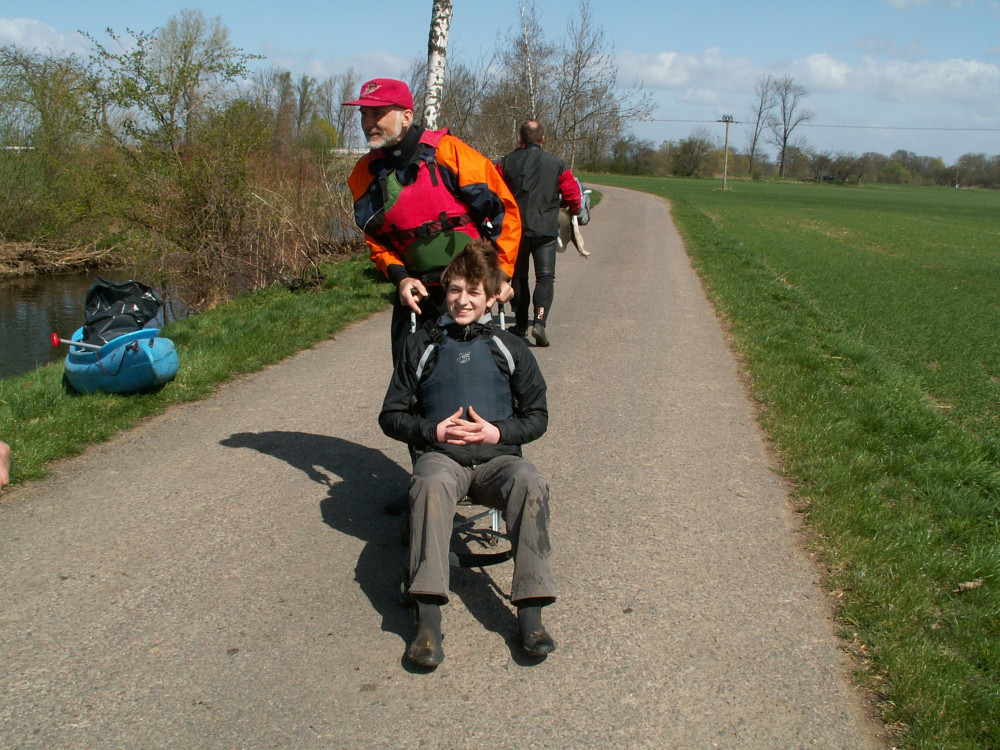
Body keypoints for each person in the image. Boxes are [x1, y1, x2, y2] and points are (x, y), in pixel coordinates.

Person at [378, 239, 556, 667]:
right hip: (442, 459)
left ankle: (530, 616)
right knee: (429, 484)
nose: (462, 300)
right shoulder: (421, 345)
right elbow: (391, 415)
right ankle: (427, 622)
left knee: (531, 483)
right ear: (445, 291)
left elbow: (538, 416)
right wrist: (432, 430)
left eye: (473, 292)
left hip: (499, 460)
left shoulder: (509, 347)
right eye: (455, 290)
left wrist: (498, 431)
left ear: (491, 298)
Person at [343, 78, 522, 364]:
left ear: (406, 117)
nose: (368, 123)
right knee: (408, 379)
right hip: (415, 294)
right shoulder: (364, 174)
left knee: (476, 376)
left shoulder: (449, 152)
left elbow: (504, 211)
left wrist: (501, 273)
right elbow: (376, 240)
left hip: (469, 288)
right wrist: (401, 279)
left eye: (377, 113)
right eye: (364, 114)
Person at [498, 120, 582, 347]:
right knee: (545, 277)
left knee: (519, 277)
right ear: (542, 139)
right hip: (545, 228)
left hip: (516, 230)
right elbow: (573, 195)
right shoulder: (557, 164)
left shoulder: (505, 163)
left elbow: (493, 191)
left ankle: (521, 324)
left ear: (520, 138)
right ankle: (540, 323)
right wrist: (574, 211)